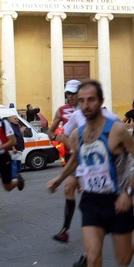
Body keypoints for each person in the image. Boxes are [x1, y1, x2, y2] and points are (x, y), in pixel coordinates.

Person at [47, 79, 134, 267]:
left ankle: (130, 239)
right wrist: (60, 178)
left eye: (91, 100)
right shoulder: (78, 133)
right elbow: (76, 158)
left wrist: (128, 193)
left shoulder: (117, 129)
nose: (85, 105)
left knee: (123, 260)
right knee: (92, 258)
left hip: (118, 201)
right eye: (82, 100)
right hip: (92, 201)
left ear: (100, 101)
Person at [47, 79, 81, 243]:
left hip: (88, 156)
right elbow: (50, 130)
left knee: (92, 194)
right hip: (71, 156)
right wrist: (56, 138)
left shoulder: (88, 108)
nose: (70, 97)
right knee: (69, 189)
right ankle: (65, 230)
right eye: (68, 93)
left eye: (73, 93)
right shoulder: (62, 110)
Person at [9, 115, 25, 180]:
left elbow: (20, 136)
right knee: (14, 163)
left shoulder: (17, 126)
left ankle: (18, 176)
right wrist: (13, 148)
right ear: (11, 120)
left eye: (17, 119)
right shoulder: (10, 127)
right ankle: (14, 177)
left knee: (18, 163)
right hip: (14, 150)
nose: (17, 120)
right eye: (15, 119)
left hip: (18, 149)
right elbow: (10, 138)